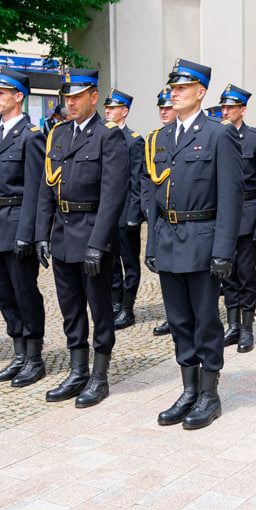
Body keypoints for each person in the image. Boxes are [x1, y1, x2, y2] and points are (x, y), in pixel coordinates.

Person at [144, 58, 243, 429]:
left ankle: (210, 394)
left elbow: (231, 198)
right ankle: (188, 389)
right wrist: (151, 244)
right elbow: (154, 198)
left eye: (182, 88)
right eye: (173, 88)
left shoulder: (218, 134)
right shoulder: (162, 137)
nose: (175, 93)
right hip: (170, 241)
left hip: (202, 242)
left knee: (205, 321)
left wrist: (223, 251)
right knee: (179, 321)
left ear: (200, 93)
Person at [35, 69, 128, 408]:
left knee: (99, 307)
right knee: (70, 307)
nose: (70, 103)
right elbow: (49, 188)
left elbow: (113, 195)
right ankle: (77, 371)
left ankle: (100, 376)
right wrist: (41, 234)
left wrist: (98, 243)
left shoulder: (108, 136)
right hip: (62, 233)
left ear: (93, 98)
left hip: (92, 235)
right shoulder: (58, 135)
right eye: (66, 97)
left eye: (77, 97)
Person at [0, 68, 47, 388]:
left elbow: (36, 190)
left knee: (24, 292)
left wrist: (27, 233)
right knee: (4, 294)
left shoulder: (31, 135)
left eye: (3, 93)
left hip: (17, 223)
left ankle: (34, 357)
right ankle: (18, 353)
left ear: (19, 96)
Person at [218, 84, 256, 353]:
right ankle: (232, 325)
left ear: (243, 110)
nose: (226, 111)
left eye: (231, 107)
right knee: (226, 274)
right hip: (223, 217)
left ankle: (247, 327)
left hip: (249, 213)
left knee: (245, 273)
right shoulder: (217, 136)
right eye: (223, 107)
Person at [102, 89, 147, 330]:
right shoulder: (102, 136)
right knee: (110, 262)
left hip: (125, 213)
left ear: (124, 111)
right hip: (107, 213)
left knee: (129, 262)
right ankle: (115, 302)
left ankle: (128, 307)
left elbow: (137, 180)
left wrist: (134, 214)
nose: (107, 111)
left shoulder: (134, 140)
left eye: (112, 108)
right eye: (106, 107)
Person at [148, 87, 178, 337]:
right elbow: (150, 185)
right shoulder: (154, 139)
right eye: (161, 108)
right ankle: (172, 317)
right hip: (164, 220)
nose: (164, 112)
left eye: (168, 107)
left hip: (193, 220)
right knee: (167, 275)